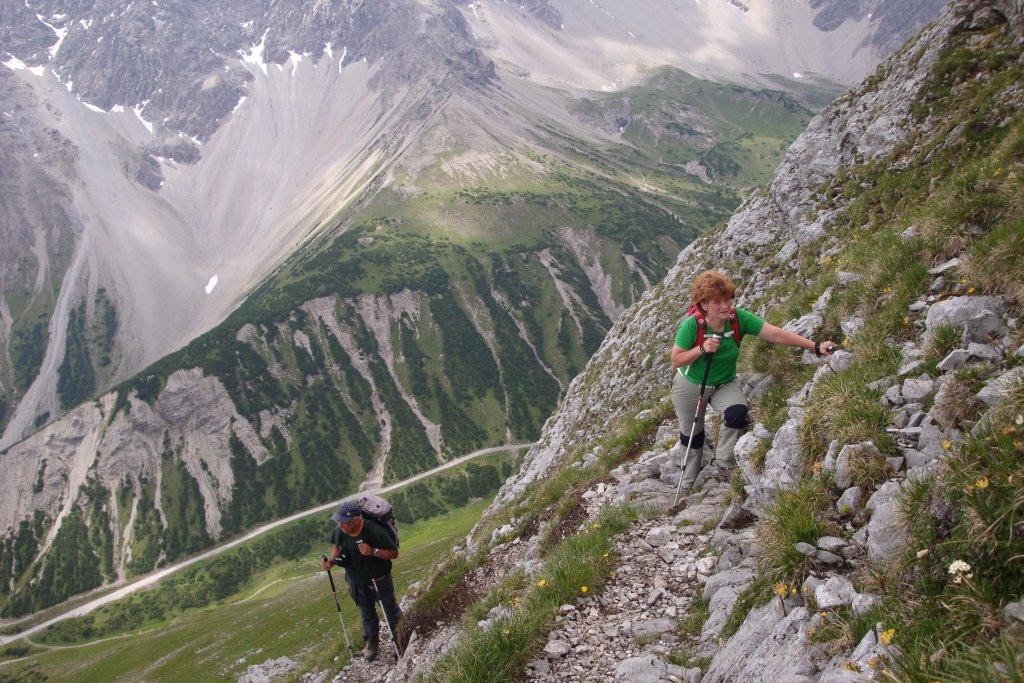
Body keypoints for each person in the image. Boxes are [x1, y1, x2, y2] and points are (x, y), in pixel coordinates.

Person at [671, 270, 836, 492]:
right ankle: (688, 483)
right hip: (691, 384)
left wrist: (814, 346)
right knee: (693, 431)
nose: (725, 306)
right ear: (704, 304)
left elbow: (775, 334)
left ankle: (724, 462)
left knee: (737, 412)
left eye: (728, 299)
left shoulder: (738, 319)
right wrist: (701, 349)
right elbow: (676, 359)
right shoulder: (692, 326)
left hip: (724, 383)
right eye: (718, 301)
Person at [321, 501, 401, 661]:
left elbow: (394, 553)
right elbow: (336, 547)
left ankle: (399, 638)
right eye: (339, 521)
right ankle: (372, 642)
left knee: (390, 610)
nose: (340, 525)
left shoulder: (373, 530)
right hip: (355, 580)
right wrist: (331, 561)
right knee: (366, 612)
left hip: (379, 579)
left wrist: (373, 551)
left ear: (356, 520)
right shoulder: (340, 531)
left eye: (343, 522)